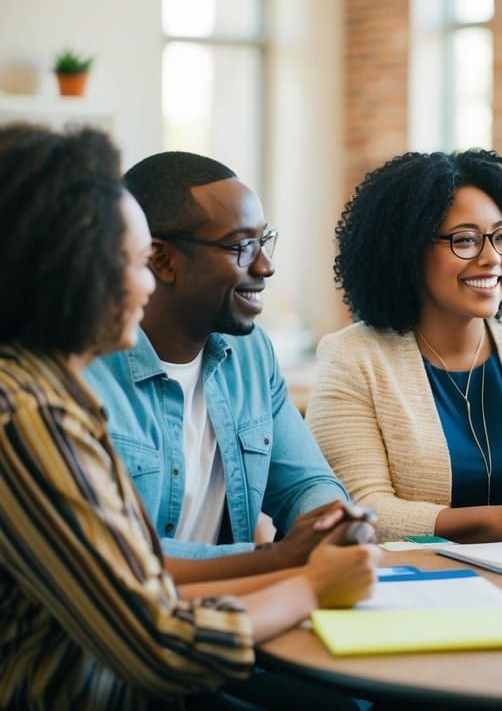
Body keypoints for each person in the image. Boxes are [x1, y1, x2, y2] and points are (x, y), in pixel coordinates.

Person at [0, 123, 379, 708]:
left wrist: (320, 540)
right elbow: (160, 641)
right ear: (74, 269)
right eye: (129, 262)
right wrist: (309, 580)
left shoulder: (53, 395)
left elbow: (142, 570)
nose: (143, 286)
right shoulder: (29, 413)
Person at [306, 149, 502, 542]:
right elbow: (363, 509)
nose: (492, 258)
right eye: (465, 240)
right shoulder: (353, 358)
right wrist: (499, 522)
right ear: (409, 250)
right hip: (420, 592)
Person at [84, 151, 351, 583]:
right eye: (242, 246)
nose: (265, 265)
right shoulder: (82, 377)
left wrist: (329, 522)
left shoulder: (250, 354)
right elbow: (119, 557)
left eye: (263, 241)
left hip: (234, 611)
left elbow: (306, 484)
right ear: (163, 260)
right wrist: (281, 556)